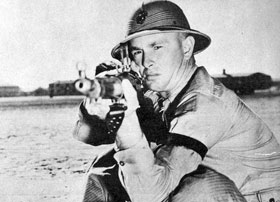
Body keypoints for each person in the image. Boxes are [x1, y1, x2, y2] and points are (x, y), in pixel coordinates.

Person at [73, 1, 280, 201]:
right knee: (107, 167)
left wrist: (125, 123)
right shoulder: (161, 94)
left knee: (200, 189)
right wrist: (95, 108)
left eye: (157, 47)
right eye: (138, 52)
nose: (146, 62)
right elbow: (84, 134)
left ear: (187, 47)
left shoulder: (206, 104)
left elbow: (152, 194)